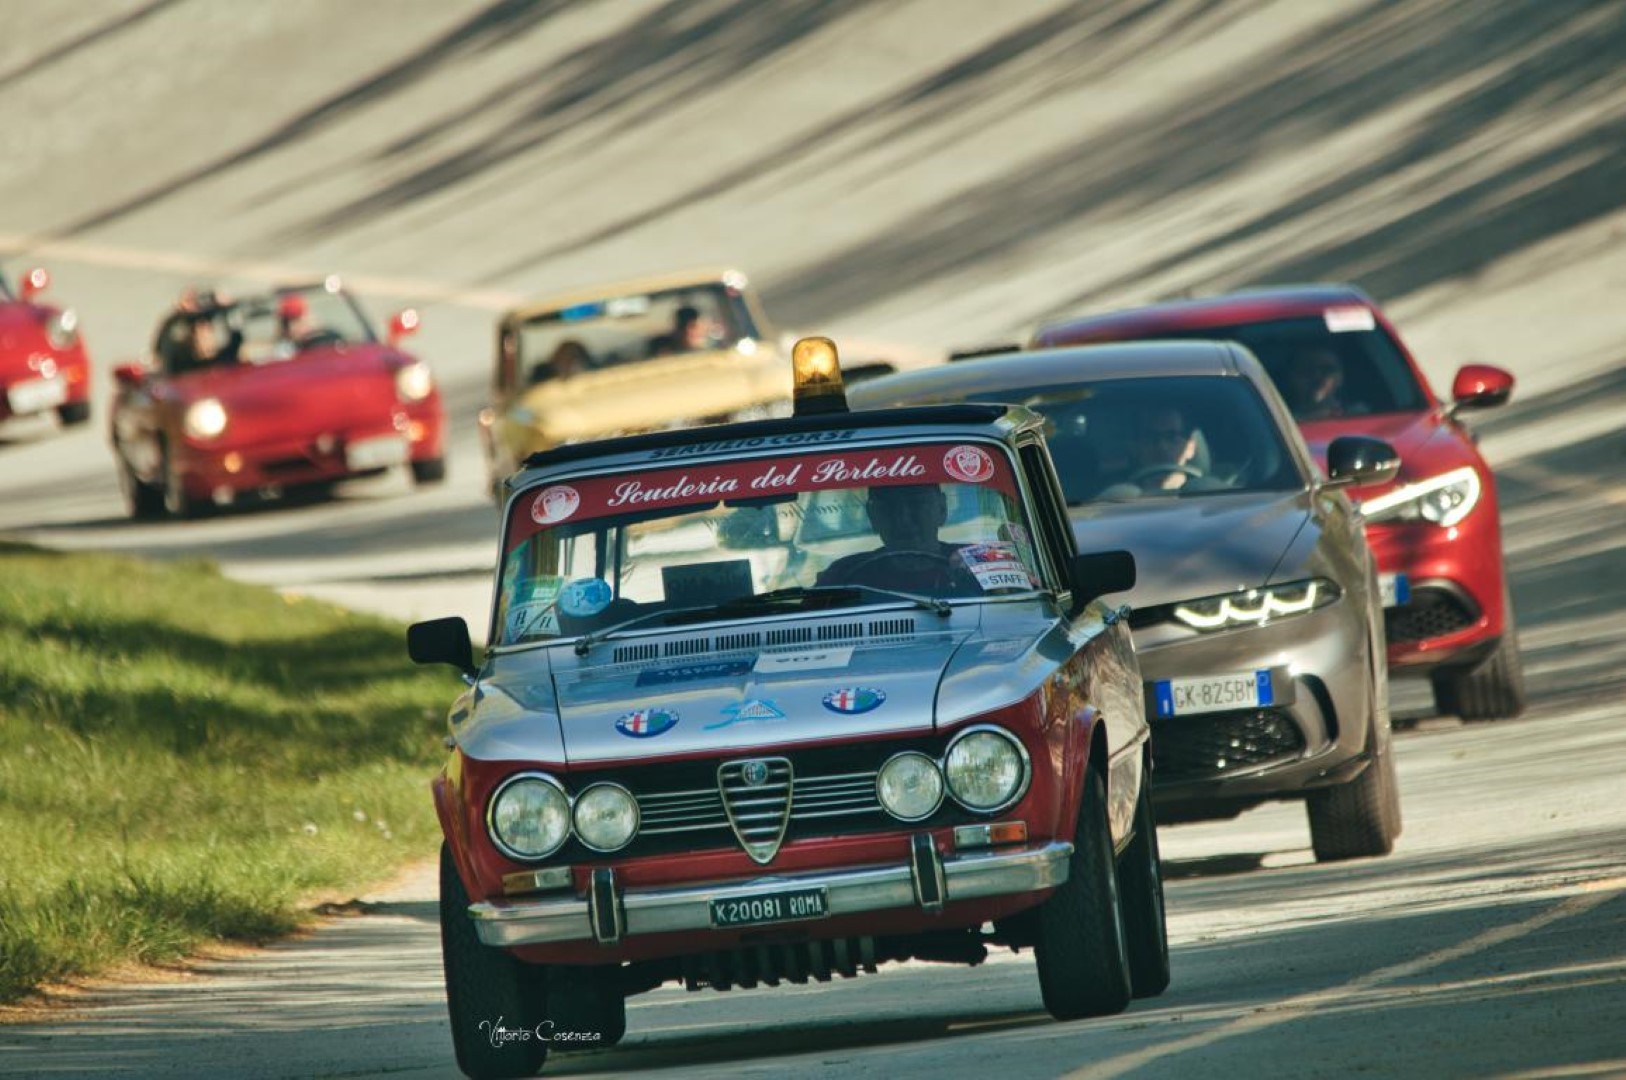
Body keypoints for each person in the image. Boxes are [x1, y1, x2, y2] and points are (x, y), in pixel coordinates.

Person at [815, 483, 969, 591]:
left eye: (916, 503)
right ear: (872, 516)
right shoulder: (842, 576)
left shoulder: (974, 560)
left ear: (941, 509)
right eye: (888, 507)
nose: (903, 520)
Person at [1285, 347, 1349, 419]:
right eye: (1306, 370)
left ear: (1340, 377)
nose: (1317, 377)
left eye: (1326, 370)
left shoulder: (1359, 415)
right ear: (1290, 378)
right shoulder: (1277, 423)